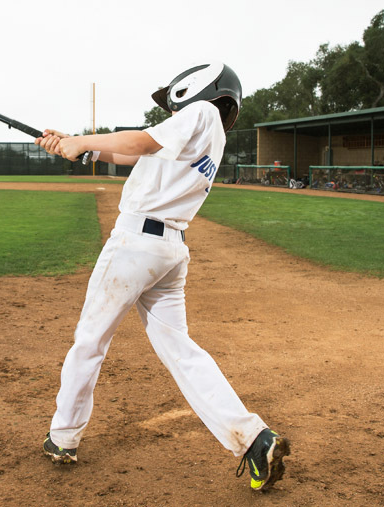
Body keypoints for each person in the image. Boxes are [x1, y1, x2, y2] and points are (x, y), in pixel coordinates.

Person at [35, 62, 290, 491]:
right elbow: (138, 152)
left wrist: (80, 139)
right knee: (181, 351)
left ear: (196, 90)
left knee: (90, 341)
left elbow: (141, 140)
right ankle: (253, 439)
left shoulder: (201, 113)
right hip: (169, 250)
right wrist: (82, 148)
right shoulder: (209, 134)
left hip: (135, 244)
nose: (170, 112)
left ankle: (63, 436)